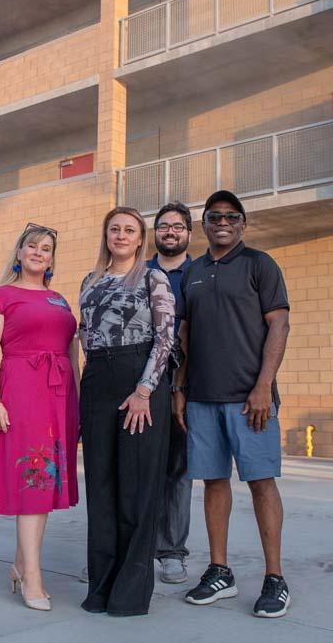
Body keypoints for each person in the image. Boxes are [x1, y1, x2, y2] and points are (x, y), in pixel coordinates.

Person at [173, 190, 292, 618]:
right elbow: (185, 335)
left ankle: (274, 578)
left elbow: (279, 326)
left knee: (260, 483)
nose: (222, 221)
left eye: (231, 216)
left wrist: (263, 386)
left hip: (250, 400)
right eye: (214, 216)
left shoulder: (260, 265)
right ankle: (219, 570)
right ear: (204, 225)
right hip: (203, 398)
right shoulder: (194, 272)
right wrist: (180, 388)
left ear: (242, 224)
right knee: (213, 483)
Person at [77, 207, 175, 616]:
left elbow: (166, 338)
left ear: (140, 239)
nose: (120, 235)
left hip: (140, 385)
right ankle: (100, 587)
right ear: (106, 236)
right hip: (98, 380)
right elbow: (85, 337)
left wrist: (144, 390)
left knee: (136, 490)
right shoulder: (90, 281)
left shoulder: (154, 277)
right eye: (114, 229)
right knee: (100, 488)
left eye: (129, 230)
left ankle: (130, 594)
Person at [0, 223, 79, 612]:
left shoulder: (59, 300)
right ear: (19, 253)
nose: (39, 252)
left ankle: (21, 564)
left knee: (48, 484)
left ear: (52, 259)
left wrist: (79, 401)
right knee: (33, 482)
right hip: (21, 392)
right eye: (33, 246)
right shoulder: (1, 297)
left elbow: (72, 355)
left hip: (60, 395)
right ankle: (33, 577)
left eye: (47, 248)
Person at [149, 202, 194, 584]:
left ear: (188, 234)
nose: (170, 232)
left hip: (184, 383)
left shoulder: (199, 274)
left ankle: (172, 551)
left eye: (177, 227)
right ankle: (133, 548)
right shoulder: (136, 273)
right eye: (163, 226)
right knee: (137, 466)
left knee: (178, 470)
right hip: (140, 382)